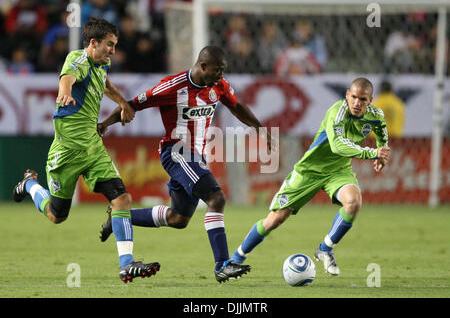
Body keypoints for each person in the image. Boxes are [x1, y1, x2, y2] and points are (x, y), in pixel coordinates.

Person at [97, 46, 273, 283]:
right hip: (176, 151)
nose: (221, 75)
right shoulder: (173, 86)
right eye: (217, 70)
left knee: (178, 219)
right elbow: (134, 103)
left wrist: (259, 127)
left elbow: (236, 106)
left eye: (223, 70)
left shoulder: (218, 86)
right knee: (216, 198)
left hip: (195, 156)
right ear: (202, 66)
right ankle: (222, 265)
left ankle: (120, 216)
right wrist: (106, 123)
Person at [12, 18, 159, 284]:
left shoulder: (102, 63)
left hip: (92, 147)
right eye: (109, 45)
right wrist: (65, 94)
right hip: (66, 153)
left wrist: (123, 103)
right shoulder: (77, 59)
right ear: (93, 43)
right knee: (57, 216)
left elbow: (104, 83)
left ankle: (126, 263)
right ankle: (31, 185)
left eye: (115, 45)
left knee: (122, 199)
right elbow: (66, 79)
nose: (113, 51)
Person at [229, 78, 390, 276]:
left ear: (370, 100)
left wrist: (382, 152)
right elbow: (338, 145)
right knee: (275, 219)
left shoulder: (376, 115)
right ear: (347, 95)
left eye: (363, 99)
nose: (357, 103)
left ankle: (325, 249)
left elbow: (382, 133)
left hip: (338, 171)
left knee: (354, 202)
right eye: (354, 97)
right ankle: (237, 256)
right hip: (309, 170)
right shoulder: (337, 112)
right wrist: (371, 153)